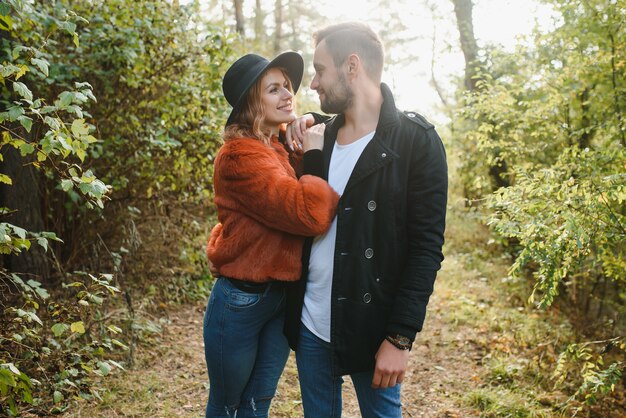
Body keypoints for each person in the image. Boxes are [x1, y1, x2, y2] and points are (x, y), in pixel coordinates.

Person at [283, 22, 448, 417]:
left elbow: (426, 249)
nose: (314, 84)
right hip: (311, 325)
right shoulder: (317, 136)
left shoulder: (416, 142)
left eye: (320, 70)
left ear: (351, 66)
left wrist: (400, 336)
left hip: (374, 328)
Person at [203, 51, 339, 418]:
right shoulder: (240, 156)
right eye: (274, 89)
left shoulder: (275, 147)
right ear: (252, 102)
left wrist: (308, 125)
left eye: (288, 87)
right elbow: (309, 213)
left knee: (257, 401)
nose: (288, 95)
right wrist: (311, 156)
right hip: (242, 302)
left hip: (281, 297)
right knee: (228, 403)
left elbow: (244, 217)